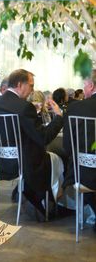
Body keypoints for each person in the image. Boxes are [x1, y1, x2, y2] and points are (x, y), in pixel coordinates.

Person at [0, 69, 63, 219]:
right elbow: (44, 137)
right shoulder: (24, 107)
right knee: (57, 159)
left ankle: (28, 195)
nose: (32, 90)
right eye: (31, 86)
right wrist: (59, 117)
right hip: (24, 164)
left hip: (0, 162)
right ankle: (47, 200)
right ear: (20, 85)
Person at [63, 69, 96, 230]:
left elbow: (68, 147)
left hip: (84, 174)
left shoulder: (76, 109)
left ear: (90, 85)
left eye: (84, 85)